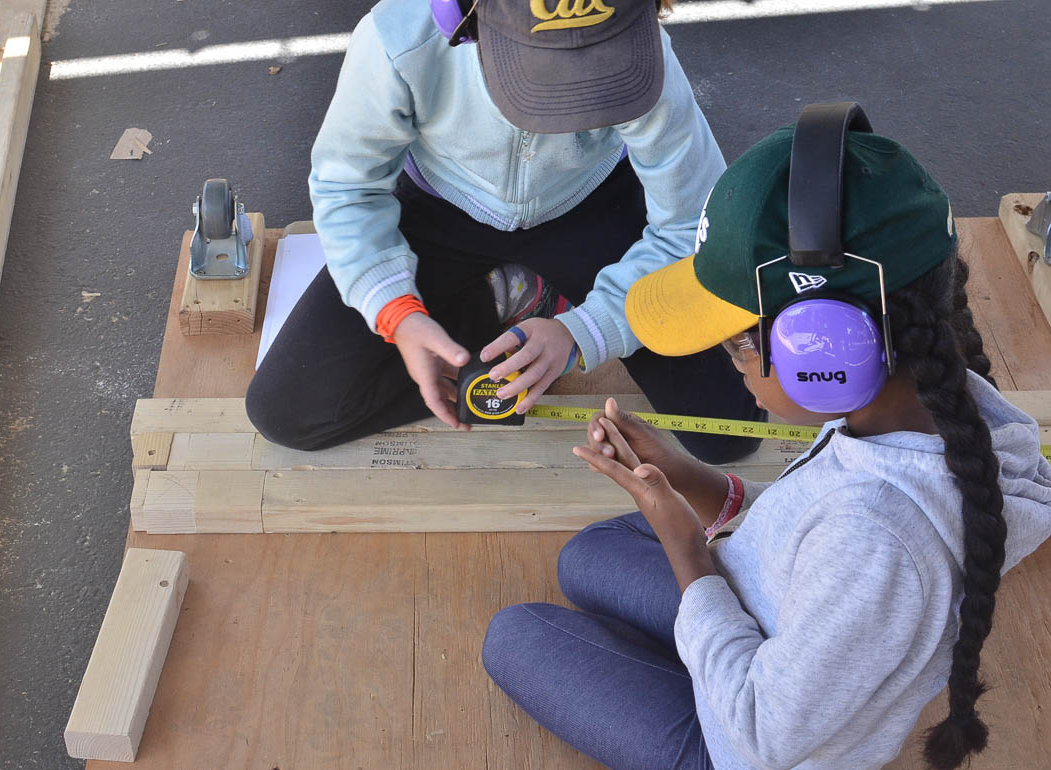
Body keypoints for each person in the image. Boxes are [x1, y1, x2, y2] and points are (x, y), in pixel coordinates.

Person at [481, 106, 1051, 770]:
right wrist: (695, 483)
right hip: (773, 611)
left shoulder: (878, 538)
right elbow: (810, 531)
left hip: (746, 755)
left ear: (827, 351)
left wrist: (687, 551)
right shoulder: (910, 404)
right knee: (584, 559)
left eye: (737, 342)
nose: (729, 361)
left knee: (514, 635)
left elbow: (765, 730)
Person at [245, 0, 764, 464]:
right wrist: (395, 312)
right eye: (540, 81)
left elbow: (689, 225)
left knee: (731, 432)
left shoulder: (646, 57)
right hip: (442, 208)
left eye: (598, 79)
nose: (563, 109)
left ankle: (531, 307)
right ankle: (504, 302)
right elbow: (348, 189)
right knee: (285, 412)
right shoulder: (399, 37)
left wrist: (582, 332)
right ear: (464, 18)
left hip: (594, 205)